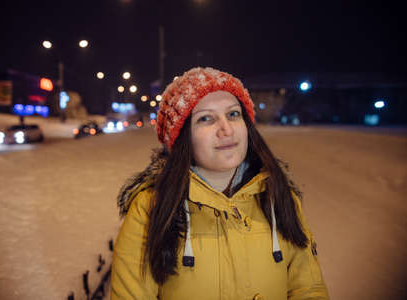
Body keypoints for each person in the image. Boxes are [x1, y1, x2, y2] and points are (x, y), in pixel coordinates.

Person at [111, 67, 329, 299]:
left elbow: (309, 290)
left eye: (233, 114)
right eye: (206, 118)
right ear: (182, 138)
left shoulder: (279, 196)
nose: (226, 129)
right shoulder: (150, 208)